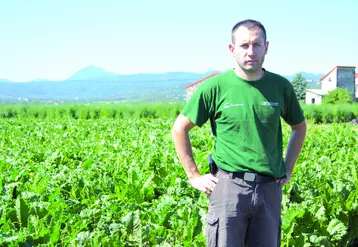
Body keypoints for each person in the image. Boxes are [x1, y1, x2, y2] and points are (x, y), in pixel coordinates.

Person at [171, 19, 307, 247]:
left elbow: (299, 127)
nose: (251, 51)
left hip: (269, 189)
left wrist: (288, 168)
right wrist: (193, 176)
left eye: (257, 44)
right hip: (228, 189)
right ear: (232, 49)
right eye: (244, 45)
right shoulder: (215, 87)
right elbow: (179, 129)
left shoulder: (281, 87)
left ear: (267, 47)